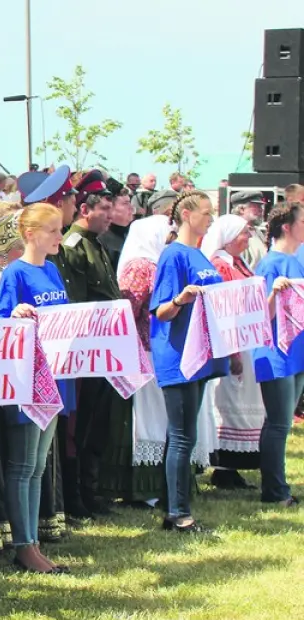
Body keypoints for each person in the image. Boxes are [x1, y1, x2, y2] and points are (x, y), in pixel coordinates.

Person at [0, 203, 77, 573]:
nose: (59, 237)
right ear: (30, 234)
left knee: (38, 465)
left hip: (54, 377)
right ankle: (23, 545)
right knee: (23, 464)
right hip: (27, 381)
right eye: (53, 230)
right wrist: (14, 314)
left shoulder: (53, 270)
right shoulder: (15, 273)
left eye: (60, 230)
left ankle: (33, 541)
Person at [150, 190, 228, 534]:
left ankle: (173, 506)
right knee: (183, 438)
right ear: (186, 214)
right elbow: (162, 311)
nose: (211, 219)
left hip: (198, 356)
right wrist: (181, 299)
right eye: (206, 212)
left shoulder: (199, 255)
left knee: (181, 437)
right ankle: (179, 514)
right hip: (178, 355)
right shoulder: (174, 255)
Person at [51, 170, 119, 519]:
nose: (110, 214)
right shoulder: (74, 247)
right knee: (81, 424)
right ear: (85, 210)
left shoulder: (95, 244)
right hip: (85, 349)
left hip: (105, 347)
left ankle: (92, 493)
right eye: (105, 208)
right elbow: (76, 300)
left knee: (97, 422)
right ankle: (78, 496)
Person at [108, 214, 173, 505]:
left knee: (158, 419)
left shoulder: (156, 263)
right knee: (146, 420)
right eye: (166, 233)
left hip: (155, 350)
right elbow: (128, 313)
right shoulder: (139, 267)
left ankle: (158, 484)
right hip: (141, 353)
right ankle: (142, 487)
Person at [200, 215, 264, 490]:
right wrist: (233, 352)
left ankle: (233, 467)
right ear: (227, 236)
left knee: (243, 404)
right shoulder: (220, 266)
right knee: (228, 403)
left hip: (247, 341)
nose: (248, 236)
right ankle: (224, 467)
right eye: (244, 232)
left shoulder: (238, 263)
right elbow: (223, 312)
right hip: (231, 343)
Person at [253, 202, 304, 508]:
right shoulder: (270, 264)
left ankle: (278, 485)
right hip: (275, 353)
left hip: (296, 352)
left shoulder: (297, 260)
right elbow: (259, 314)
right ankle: (274, 491)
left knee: (281, 422)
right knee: (279, 423)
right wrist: (274, 293)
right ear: (288, 226)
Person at [229, 190, 268, 268]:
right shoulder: (234, 234)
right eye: (256, 206)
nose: (261, 210)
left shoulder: (257, 232)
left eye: (261, 206)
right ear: (241, 209)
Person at [98, 187, 135, 270]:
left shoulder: (135, 235)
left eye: (130, 203)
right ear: (110, 207)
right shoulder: (101, 240)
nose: (131, 208)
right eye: (125, 203)